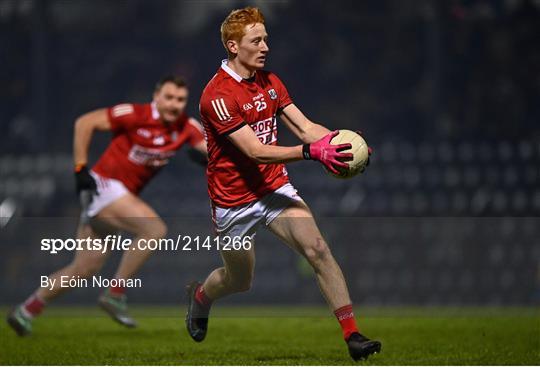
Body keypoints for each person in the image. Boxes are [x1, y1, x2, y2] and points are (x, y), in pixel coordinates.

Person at [185, 7, 381, 361]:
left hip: (274, 190)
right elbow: (256, 151)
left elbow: (307, 128)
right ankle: (202, 296)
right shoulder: (217, 96)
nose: (265, 47)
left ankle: (352, 335)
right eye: (256, 40)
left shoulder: (270, 82)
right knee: (238, 281)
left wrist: (344, 144)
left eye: (266, 39)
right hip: (233, 202)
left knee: (318, 248)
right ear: (233, 45)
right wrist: (310, 153)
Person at [7, 75, 207, 336]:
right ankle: (115, 293)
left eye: (180, 99)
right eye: (168, 97)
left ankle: (26, 310)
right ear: (156, 97)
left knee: (84, 268)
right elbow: (85, 122)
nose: (174, 104)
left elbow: (212, 153)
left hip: (117, 197)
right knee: (154, 229)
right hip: (104, 186)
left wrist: (208, 160)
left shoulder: (187, 127)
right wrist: (80, 168)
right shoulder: (135, 113)